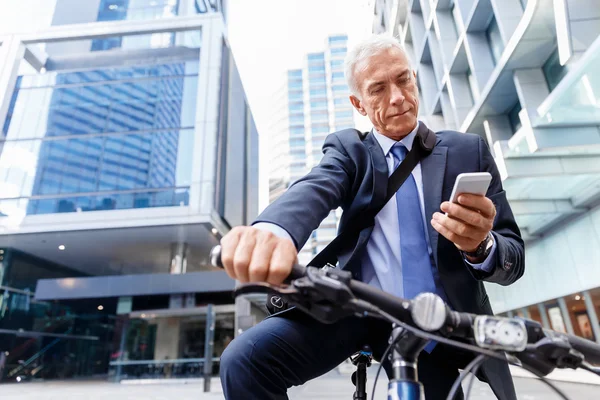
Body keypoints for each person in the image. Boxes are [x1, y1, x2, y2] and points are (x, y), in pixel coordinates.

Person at [218, 34, 524, 400]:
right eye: (377, 89)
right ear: (358, 104)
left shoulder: (466, 150)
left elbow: (513, 260)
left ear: (414, 78)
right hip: (360, 311)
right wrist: (272, 231)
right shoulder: (350, 152)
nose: (396, 97)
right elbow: (314, 188)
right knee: (245, 361)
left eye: (403, 80)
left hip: (439, 322)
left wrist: (481, 247)